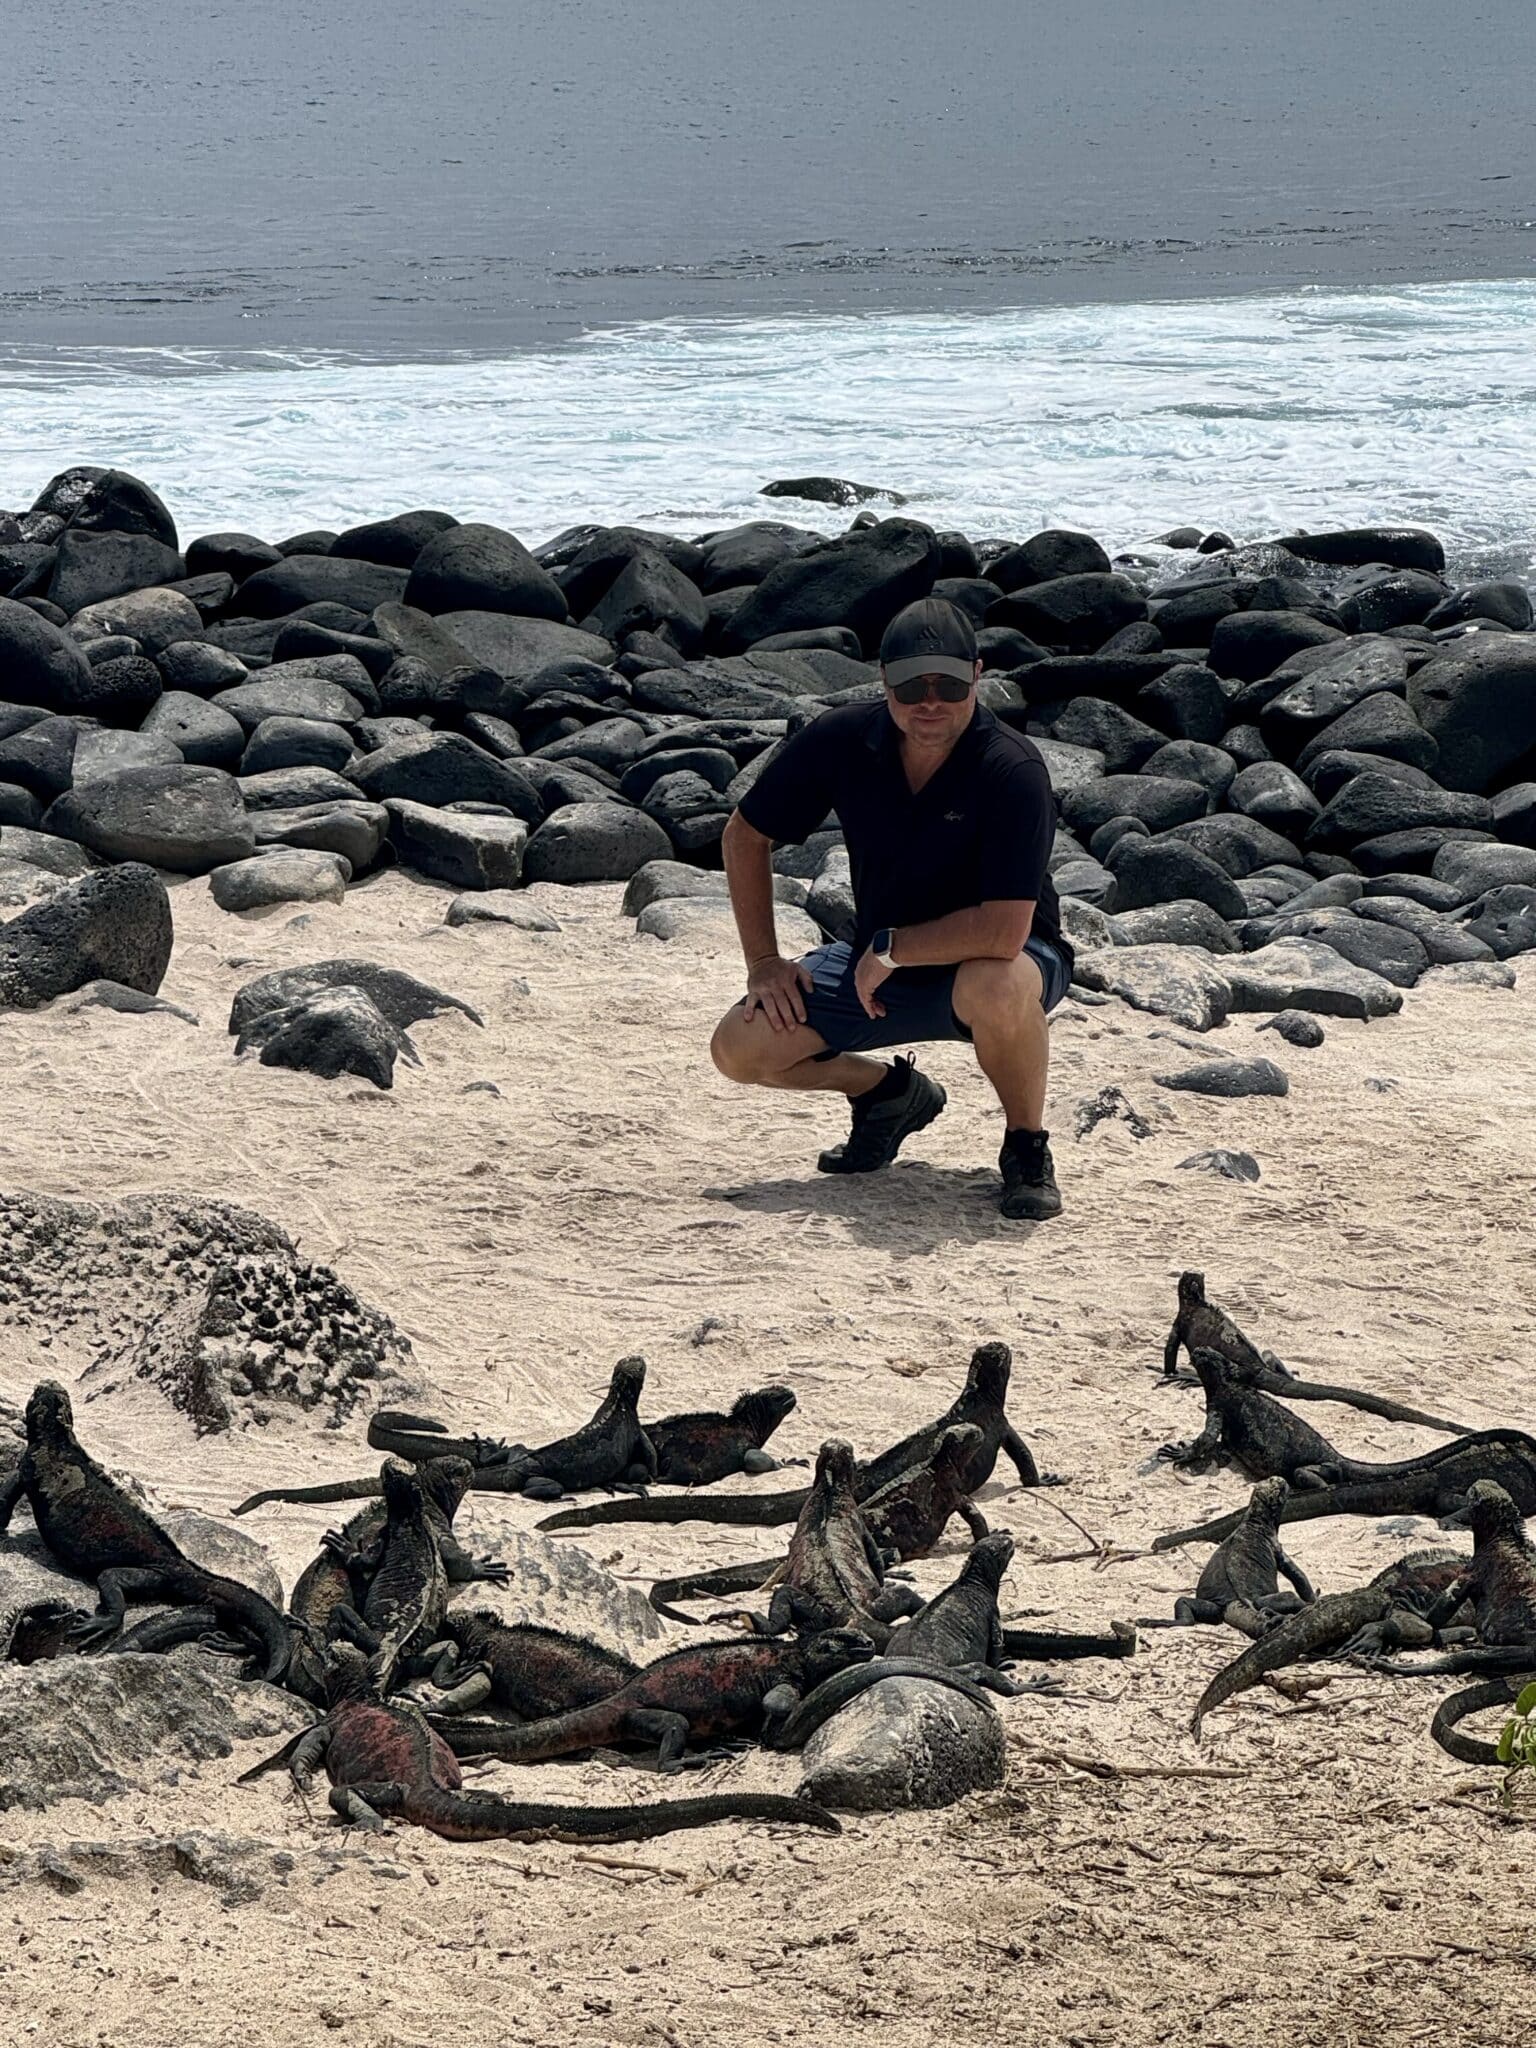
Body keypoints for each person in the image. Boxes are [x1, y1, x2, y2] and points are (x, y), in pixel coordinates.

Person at [709, 595, 1072, 1220]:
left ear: (978, 676)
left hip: (1003, 959)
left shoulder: (1012, 770)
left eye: (948, 683)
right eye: (912, 684)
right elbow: (745, 834)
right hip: (878, 961)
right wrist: (764, 961)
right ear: (884, 681)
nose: (930, 700)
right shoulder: (841, 739)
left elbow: (1005, 931)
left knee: (997, 980)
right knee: (739, 1047)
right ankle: (887, 1094)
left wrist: (891, 949)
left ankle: (1026, 1146)